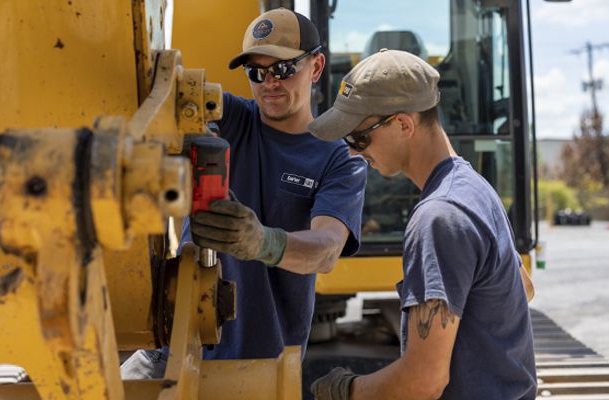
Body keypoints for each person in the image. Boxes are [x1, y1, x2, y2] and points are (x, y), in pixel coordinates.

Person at [121, 8, 366, 377]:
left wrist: (262, 243)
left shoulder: (338, 158)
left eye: (283, 69)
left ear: (316, 68)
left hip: (261, 362)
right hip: (175, 347)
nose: (269, 82)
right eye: (256, 72)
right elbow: (160, 106)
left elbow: (327, 249)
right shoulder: (230, 117)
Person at [307, 49, 536, 400]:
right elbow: (523, 288)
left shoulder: (437, 218)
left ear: (403, 124)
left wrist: (346, 391)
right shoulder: (476, 190)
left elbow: (423, 382)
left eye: (359, 138)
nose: (353, 152)